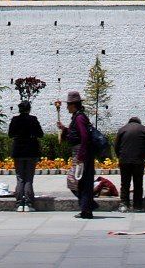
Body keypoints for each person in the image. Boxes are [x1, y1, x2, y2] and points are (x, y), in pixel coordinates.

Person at [57, 90, 95, 219]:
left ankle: (88, 206)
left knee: (75, 180)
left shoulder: (79, 118)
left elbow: (84, 137)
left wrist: (81, 156)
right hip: (81, 152)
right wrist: (65, 129)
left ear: (73, 105)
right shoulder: (78, 117)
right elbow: (77, 135)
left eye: (68, 104)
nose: (67, 107)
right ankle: (87, 207)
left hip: (81, 152)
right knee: (80, 182)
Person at [8, 100, 44, 212]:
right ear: (29, 109)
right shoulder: (33, 119)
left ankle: (19, 203)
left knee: (20, 178)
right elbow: (40, 134)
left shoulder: (15, 120)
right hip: (31, 151)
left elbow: (10, 134)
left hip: (18, 150)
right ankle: (28, 203)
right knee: (29, 178)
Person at [114, 115, 145, 212]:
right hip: (138, 160)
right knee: (138, 183)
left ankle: (124, 205)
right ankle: (138, 206)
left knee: (125, 183)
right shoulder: (144, 130)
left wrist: (119, 156)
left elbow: (116, 146)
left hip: (124, 160)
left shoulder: (122, 129)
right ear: (139, 122)